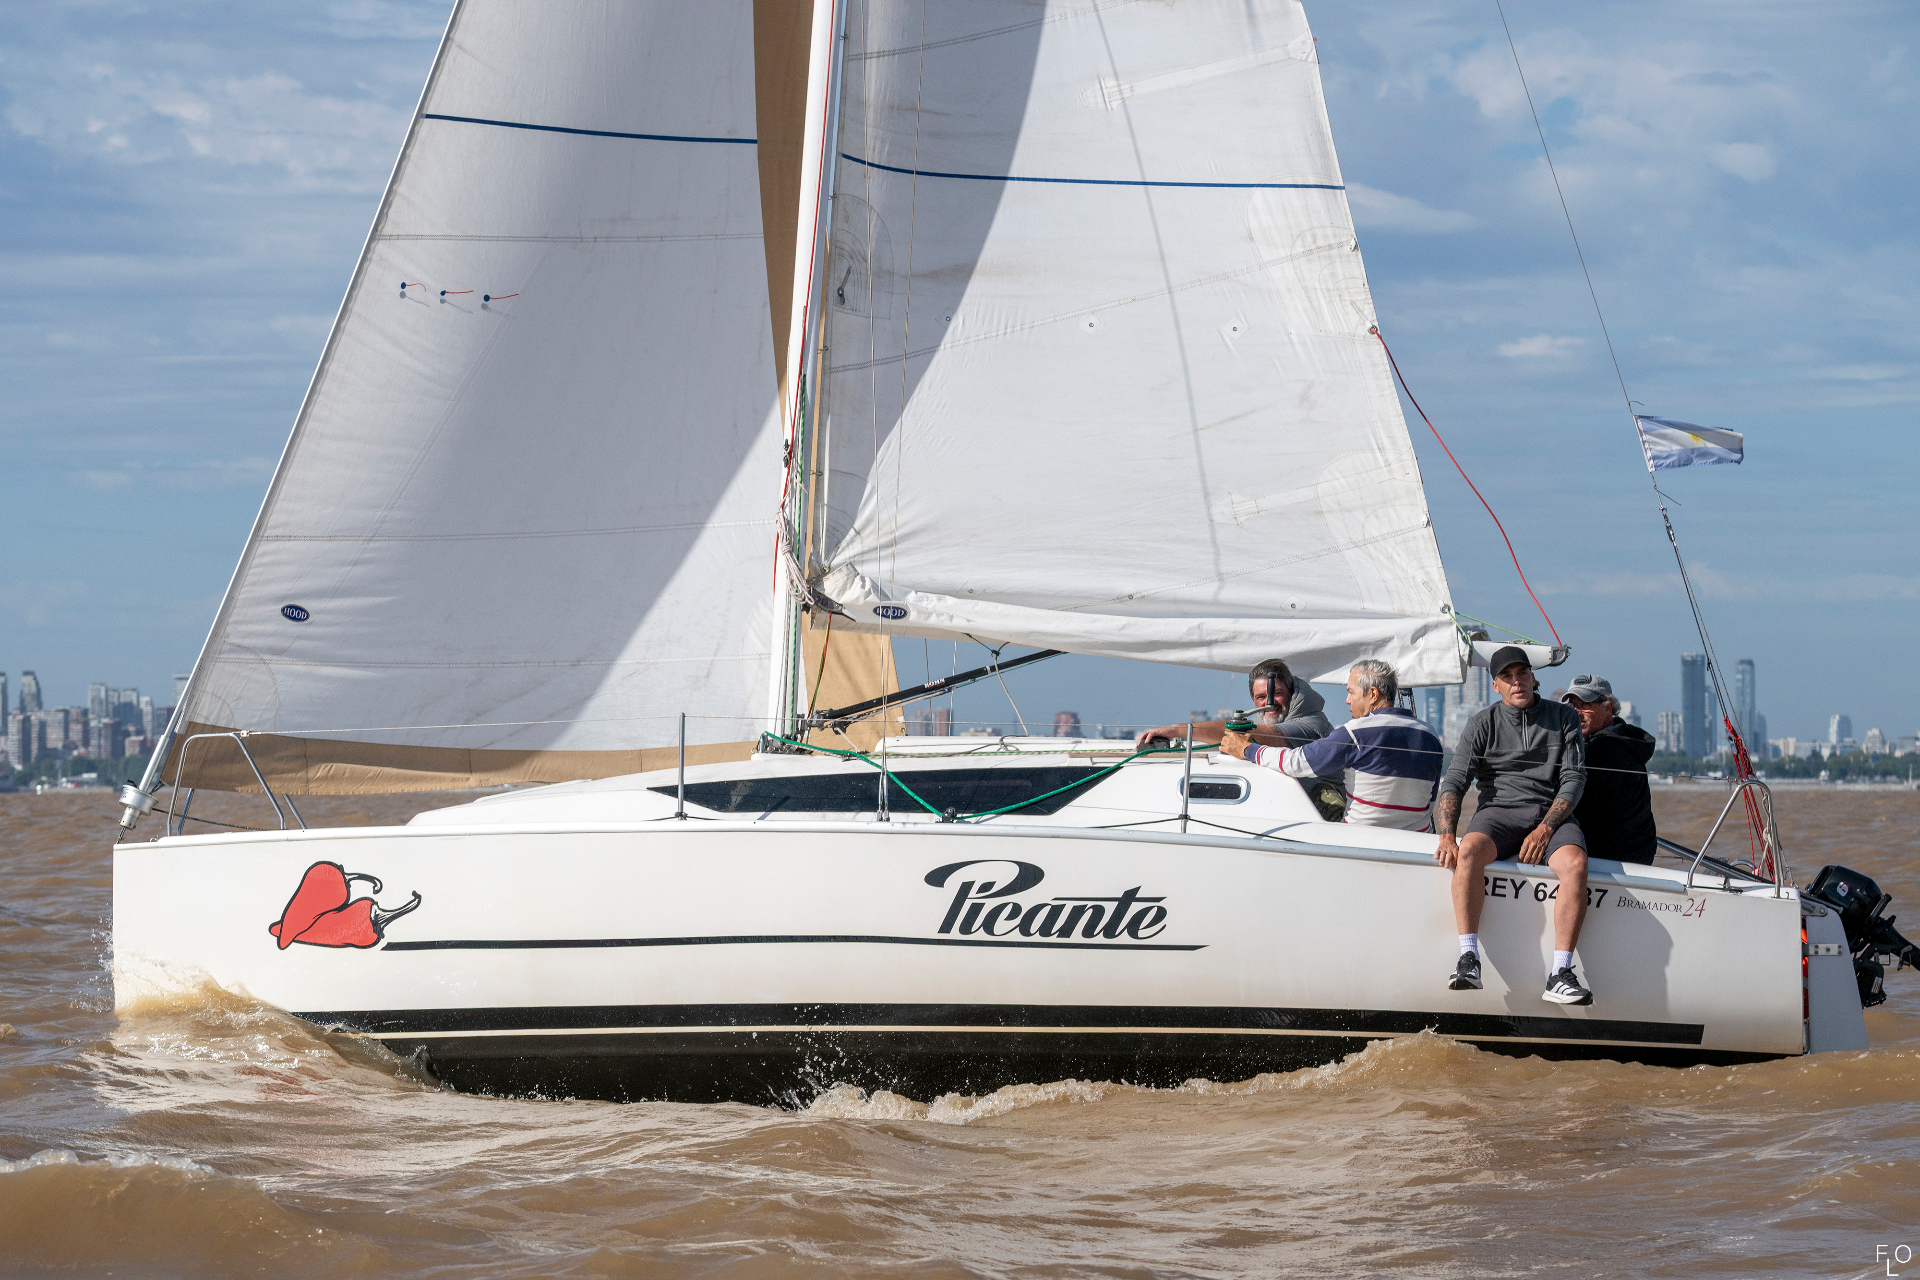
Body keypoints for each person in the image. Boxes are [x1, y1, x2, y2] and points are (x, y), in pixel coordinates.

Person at [1434, 645, 1592, 1005]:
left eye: (1523, 674)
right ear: (1496, 685)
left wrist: (1546, 829)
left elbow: (1573, 779)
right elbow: (1455, 780)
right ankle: (1468, 959)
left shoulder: (1563, 717)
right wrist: (1446, 834)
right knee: (1469, 851)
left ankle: (1561, 974)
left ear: (1534, 678)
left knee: (1576, 864)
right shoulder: (1481, 723)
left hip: (1550, 812)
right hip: (1498, 811)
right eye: (1508, 677)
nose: (1517, 681)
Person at [1221, 659, 1443, 830]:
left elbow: (1298, 762)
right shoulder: (1430, 735)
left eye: (1350, 692)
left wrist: (1247, 749)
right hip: (1416, 841)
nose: (1347, 700)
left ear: (1372, 694)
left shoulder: (1357, 732)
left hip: (1362, 840)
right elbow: (1430, 801)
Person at [1561, 674, 1658, 865]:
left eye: (1585, 705)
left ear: (1608, 707)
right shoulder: (1625, 738)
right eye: (1573, 706)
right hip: (1638, 856)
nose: (1577, 712)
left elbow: (1572, 806)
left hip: (1612, 861)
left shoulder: (1604, 750)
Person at [1134, 657, 1332, 750]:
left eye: (1277, 694)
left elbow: (1258, 735)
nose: (1269, 704)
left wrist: (1178, 730)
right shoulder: (1261, 721)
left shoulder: (1311, 723)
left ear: (1291, 693)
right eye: (1260, 698)